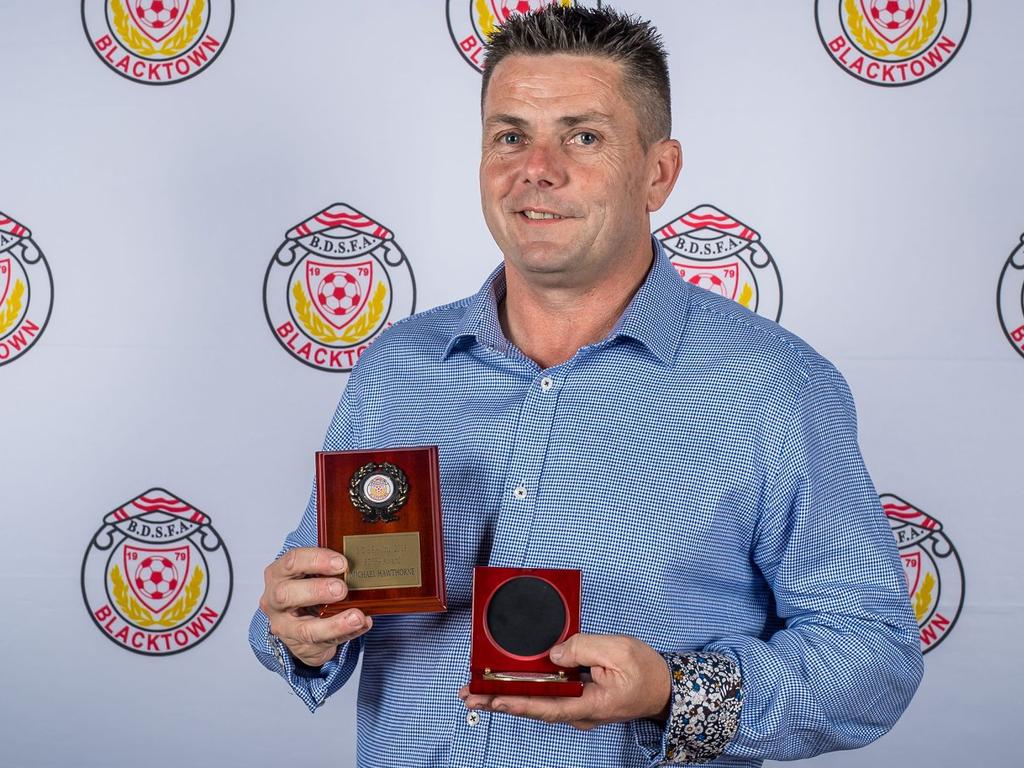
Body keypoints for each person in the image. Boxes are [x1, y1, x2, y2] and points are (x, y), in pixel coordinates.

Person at [249, 7, 923, 767]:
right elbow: (309, 606)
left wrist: (673, 690)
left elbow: (872, 657)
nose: (537, 167)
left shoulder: (773, 387)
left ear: (658, 172)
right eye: (510, 136)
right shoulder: (397, 370)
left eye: (583, 136)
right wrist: (293, 628)